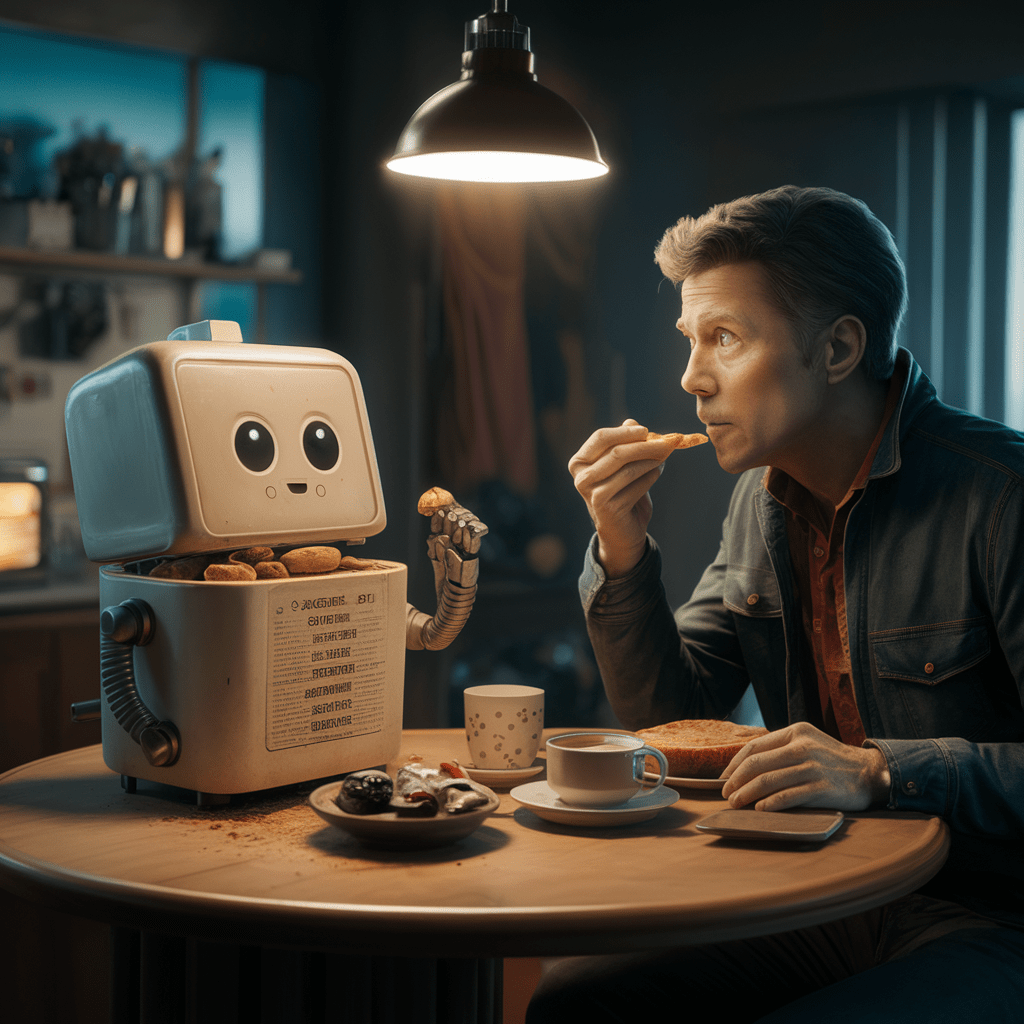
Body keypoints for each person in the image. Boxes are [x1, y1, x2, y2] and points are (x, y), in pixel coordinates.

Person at [528, 185, 1024, 1022]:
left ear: (836, 349)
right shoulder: (762, 499)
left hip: (988, 914)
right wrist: (621, 551)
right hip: (819, 889)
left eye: (725, 338)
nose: (691, 379)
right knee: (577, 1001)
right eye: (690, 340)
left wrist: (879, 769)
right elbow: (672, 720)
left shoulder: (1003, 496)